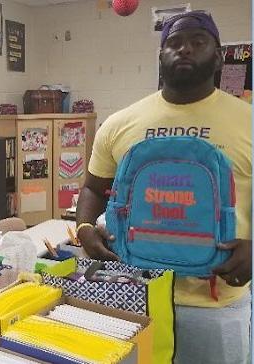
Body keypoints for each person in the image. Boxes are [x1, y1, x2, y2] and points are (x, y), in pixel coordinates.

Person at [76, 11, 251, 364]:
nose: (184, 49)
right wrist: (83, 229)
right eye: (174, 43)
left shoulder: (247, 120)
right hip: (131, 292)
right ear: (161, 56)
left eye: (198, 42)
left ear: (218, 56)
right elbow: (93, 188)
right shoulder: (120, 123)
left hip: (213, 301)